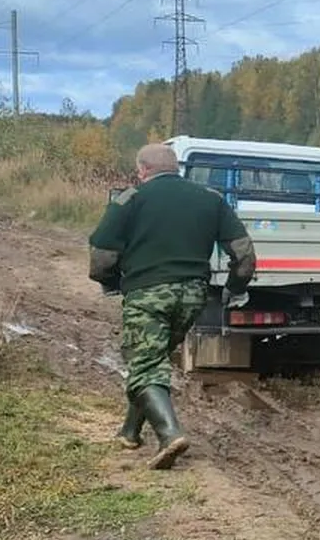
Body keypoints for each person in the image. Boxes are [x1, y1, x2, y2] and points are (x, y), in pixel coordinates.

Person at [88, 142, 256, 469]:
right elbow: (245, 254)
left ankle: (169, 435)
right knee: (152, 358)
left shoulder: (130, 199)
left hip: (148, 293)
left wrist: (111, 282)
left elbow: (101, 255)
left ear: (143, 169)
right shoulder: (211, 199)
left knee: (145, 364)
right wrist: (235, 288)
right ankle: (129, 432)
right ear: (175, 167)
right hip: (192, 295)